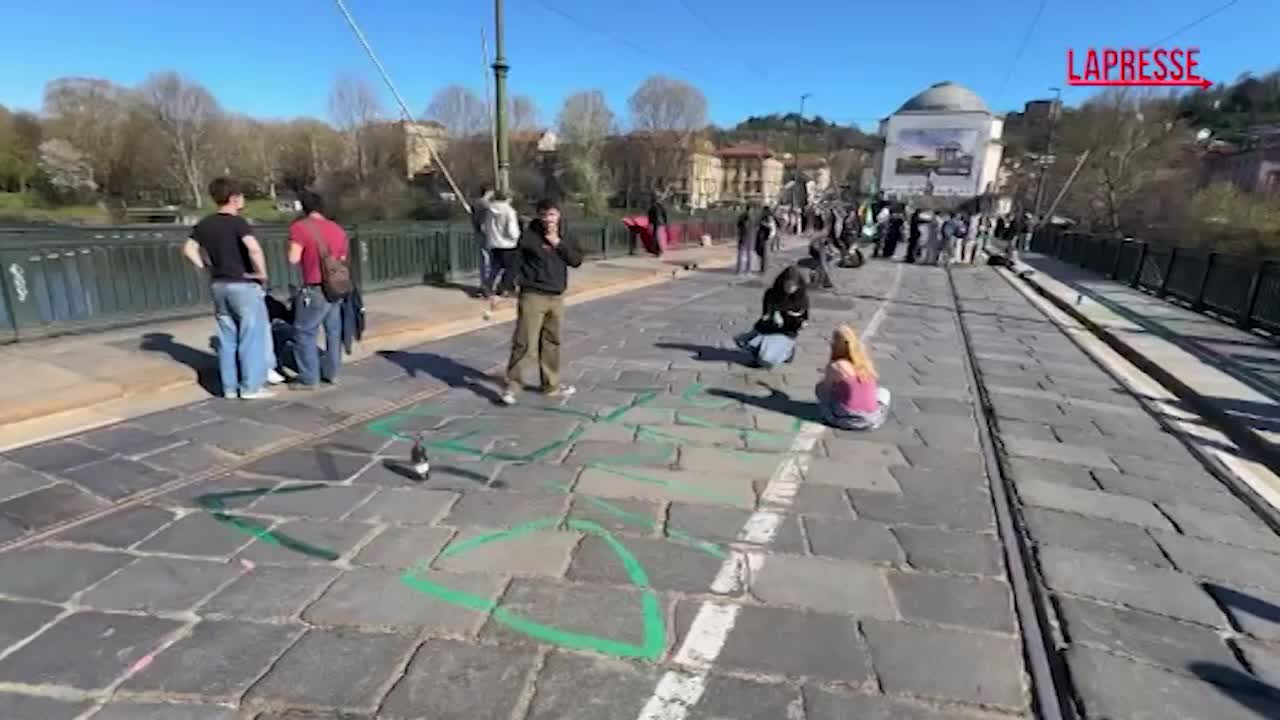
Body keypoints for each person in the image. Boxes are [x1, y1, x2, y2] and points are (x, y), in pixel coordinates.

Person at [181, 178, 273, 400]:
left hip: (218, 283)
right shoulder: (238, 223)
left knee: (227, 337)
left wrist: (204, 266)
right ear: (233, 198)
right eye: (241, 195)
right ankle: (250, 386)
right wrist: (261, 272)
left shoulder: (205, 224)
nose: (243, 199)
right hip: (243, 284)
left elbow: (188, 248)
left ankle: (229, 387)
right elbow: (253, 248)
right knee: (251, 336)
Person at [502, 198, 583, 405]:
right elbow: (515, 262)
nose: (548, 220)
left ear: (559, 215)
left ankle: (551, 385)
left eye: (552, 215)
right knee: (525, 342)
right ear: (539, 216)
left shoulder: (566, 234)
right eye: (544, 215)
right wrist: (505, 286)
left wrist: (558, 243)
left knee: (552, 342)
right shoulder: (529, 236)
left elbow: (576, 260)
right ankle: (513, 385)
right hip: (533, 295)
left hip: (556, 296)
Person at [287, 189, 349, 390]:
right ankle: (333, 373)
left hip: (314, 287)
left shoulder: (300, 228)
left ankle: (309, 378)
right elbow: (341, 260)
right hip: (335, 287)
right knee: (333, 331)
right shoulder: (338, 229)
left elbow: (293, 258)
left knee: (304, 332)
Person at [815, 324, 891, 430]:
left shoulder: (836, 365)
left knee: (820, 388)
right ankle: (868, 412)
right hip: (872, 418)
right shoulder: (864, 360)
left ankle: (830, 417)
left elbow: (825, 390)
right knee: (883, 392)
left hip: (848, 417)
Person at [734, 266, 809, 369]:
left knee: (767, 360)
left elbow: (803, 318)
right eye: (787, 285)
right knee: (743, 342)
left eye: (793, 286)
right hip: (768, 327)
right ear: (782, 282)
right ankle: (760, 354)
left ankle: (787, 352)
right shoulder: (771, 293)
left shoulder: (801, 298)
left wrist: (800, 323)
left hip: (786, 331)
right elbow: (765, 313)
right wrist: (769, 316)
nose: (790, 288)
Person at [483, 189, 521, 312]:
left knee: (495, 267)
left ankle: (487, 287)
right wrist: (516, 237)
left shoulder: (489, 209)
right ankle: (504, 287)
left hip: (494, 242)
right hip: (508, 244)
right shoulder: (509, 211)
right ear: (508, 198)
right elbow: (512, 230)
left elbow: (485, 226)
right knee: (513, 267)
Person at [471, 185, 493, 297]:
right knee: (488, 260)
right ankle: (486, 286)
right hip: (486, 234)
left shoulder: (475, 204)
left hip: (478, 233)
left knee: (483, 260)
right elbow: (485, 221)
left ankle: (483, 283)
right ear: (488, 192)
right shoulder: (486, 205)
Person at [756, 207, 777, 275]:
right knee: (766, 253)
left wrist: (762, 224)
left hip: (767, 237)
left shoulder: (768, 217)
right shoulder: (770, 217)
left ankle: (764, 269)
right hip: (769, 237)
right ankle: (766, 267)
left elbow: (770, 226)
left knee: (765, 254)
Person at [735, 205, 754, 275]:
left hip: (742, 236)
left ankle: (739, 270)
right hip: (747, 236)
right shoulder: (748, 216)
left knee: (741, 253)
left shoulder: (741, 216)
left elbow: (738, 225)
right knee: (748, 254)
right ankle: (747, 270)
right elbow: (747, 226)